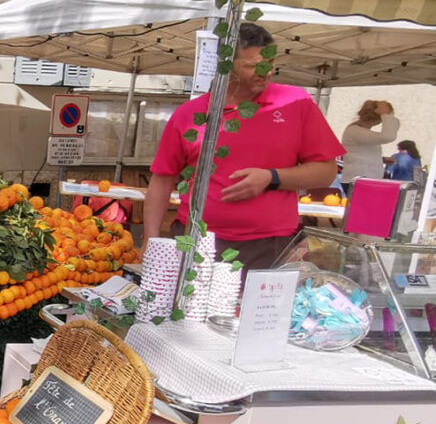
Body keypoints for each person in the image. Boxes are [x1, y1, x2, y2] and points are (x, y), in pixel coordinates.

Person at [144, 23, 344, 270]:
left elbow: (326, 171)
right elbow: (162, 180)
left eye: (270, 63)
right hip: (194, 239)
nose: (266, 72)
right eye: (253, 66)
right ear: (225, 65)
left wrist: (271, 177)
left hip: (270, 245)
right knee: (186, 308)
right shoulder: (190, 114)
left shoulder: (295, 103)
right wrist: (150, 239)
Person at [340, 100, 399, 194]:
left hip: (362, 179)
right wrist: (386, 115)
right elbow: (388, 136)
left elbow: (361, 153)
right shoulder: (355, 131)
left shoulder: (358, 131)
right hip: (360, 180)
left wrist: (382, 159)